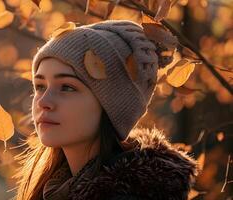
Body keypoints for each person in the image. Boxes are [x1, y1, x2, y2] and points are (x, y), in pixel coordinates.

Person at [12, 19, 198, 200]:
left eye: (67, 87)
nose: (43, 101)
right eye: (40, 86)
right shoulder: (54, 186)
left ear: (112, 104)